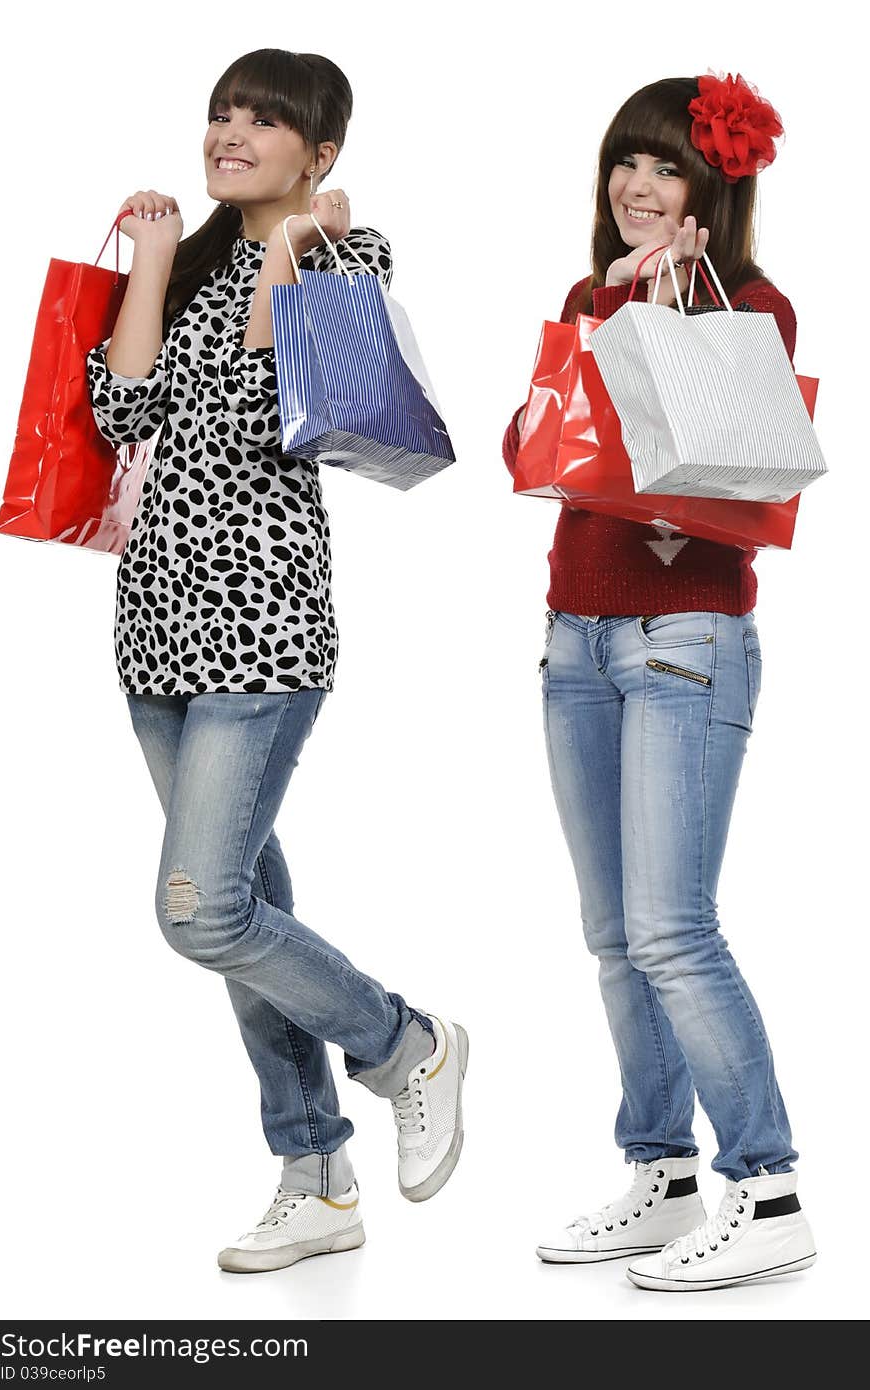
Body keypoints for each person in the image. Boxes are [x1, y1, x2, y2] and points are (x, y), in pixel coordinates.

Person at [86, 47, 468, 1275]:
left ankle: (408, 1044)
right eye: (222, 113)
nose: (230, 133)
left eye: (263, 119)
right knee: (251, 909)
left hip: (264, 632)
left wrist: (297, 249)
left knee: (199, 911)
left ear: (323, 151)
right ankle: (313, 1175)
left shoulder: (348, 255)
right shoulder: (190, 263)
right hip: (154, 633)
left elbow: (273, 410)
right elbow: (119, 418)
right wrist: (150, 261)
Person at [502, 73, 815, 1291]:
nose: (638, 186)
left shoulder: (755, 310)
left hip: (686, 636)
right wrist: (607, 311)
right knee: (614, 937)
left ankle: (768, 1185)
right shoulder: (591, 296)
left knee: (675, 931)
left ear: (712, 191)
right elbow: (531, 450)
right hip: (574, 635)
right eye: (626, 163)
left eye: (667, 167)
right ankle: (663, 1173)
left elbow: (717, 462)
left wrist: (657, 315)